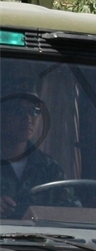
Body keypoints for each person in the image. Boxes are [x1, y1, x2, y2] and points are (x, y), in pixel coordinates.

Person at [1, 92, 63, 220]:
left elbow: (70, 210)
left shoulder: (48, 167)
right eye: (18, 111)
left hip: (40, 238)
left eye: (34, 111)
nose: (28, 118)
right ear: (3, 116)